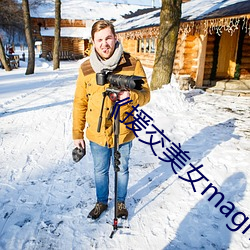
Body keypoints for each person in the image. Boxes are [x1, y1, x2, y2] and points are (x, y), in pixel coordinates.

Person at [72, 20, 150, 220]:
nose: (104, 43)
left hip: (124, 130)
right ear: (93, 42)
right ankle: (101, 202)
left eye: (108, 38)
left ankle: (121, 202)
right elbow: (80, 102)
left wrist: (131, 97)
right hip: (97, 133)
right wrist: (77, 134)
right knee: (100, 170)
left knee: (122, 168)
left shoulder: (132, 63)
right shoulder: (86, 68)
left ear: (115, 38)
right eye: (99, 40)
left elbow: (146, 94)